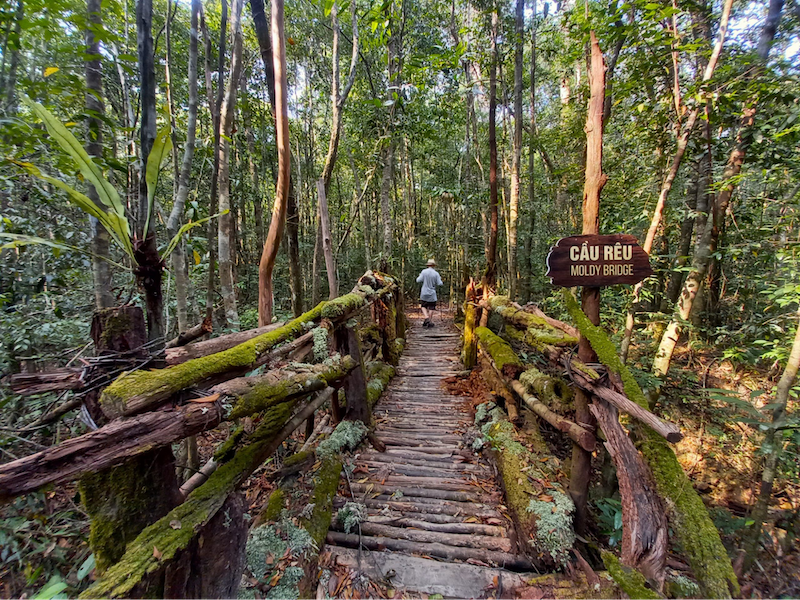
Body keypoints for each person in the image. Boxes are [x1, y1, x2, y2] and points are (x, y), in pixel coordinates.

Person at [416, 259, 443, 328]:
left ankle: (426, 317)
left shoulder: (424, 272)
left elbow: (418, 280)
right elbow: (440, 283)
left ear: (428, 265)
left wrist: (421, 276)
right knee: (431, 307)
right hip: (432, 293)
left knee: (423, 306)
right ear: (434, 265)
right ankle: (429, 320)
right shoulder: (436, 273)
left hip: (424, 292)